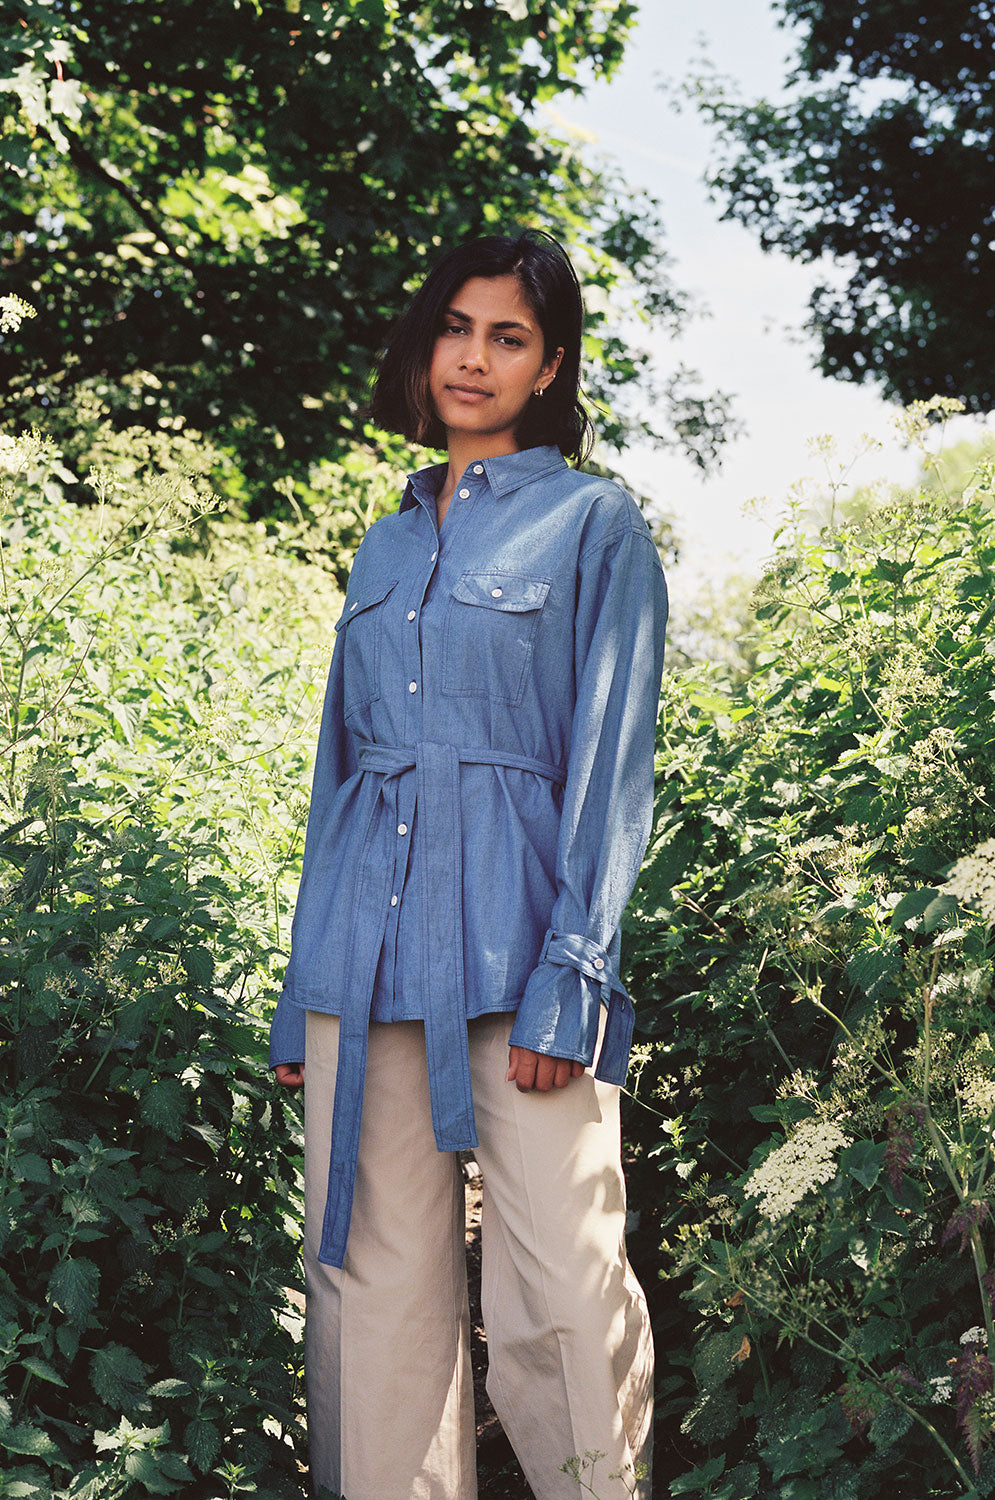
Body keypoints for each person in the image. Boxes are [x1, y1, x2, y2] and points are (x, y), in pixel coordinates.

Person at [269, 227, 668, 1500]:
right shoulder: (382, 545)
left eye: (508, 337)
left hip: (522, 960)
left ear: (550, 367)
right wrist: (299, 989)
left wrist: (575, 974)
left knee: (561, 1288)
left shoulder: (594, 524)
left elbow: (610, 761)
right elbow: (340, 773)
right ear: (422, 340)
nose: (474, 357)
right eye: (456, 326)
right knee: (369, 1299)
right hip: (361, 955)